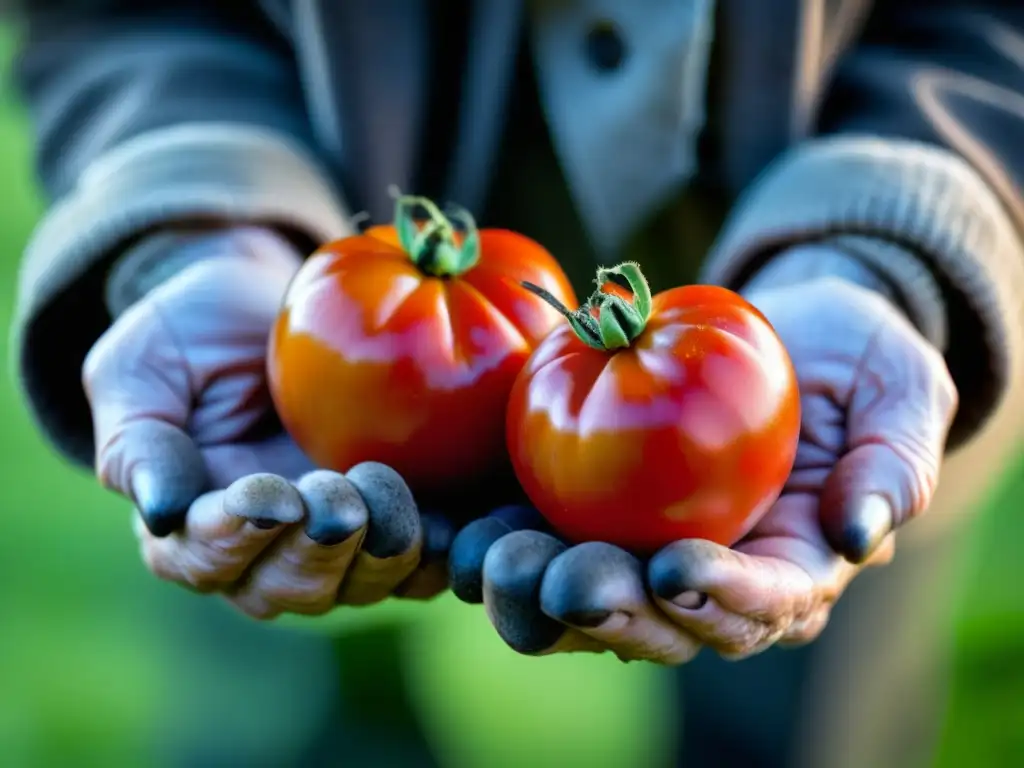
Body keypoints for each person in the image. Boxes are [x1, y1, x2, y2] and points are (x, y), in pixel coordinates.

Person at [8, 1, 1024, 766]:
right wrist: (198, 211)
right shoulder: (289, 342)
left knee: (799, 718)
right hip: (281, 284)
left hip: (822, 329)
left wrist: (896, 230)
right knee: (265, 590)